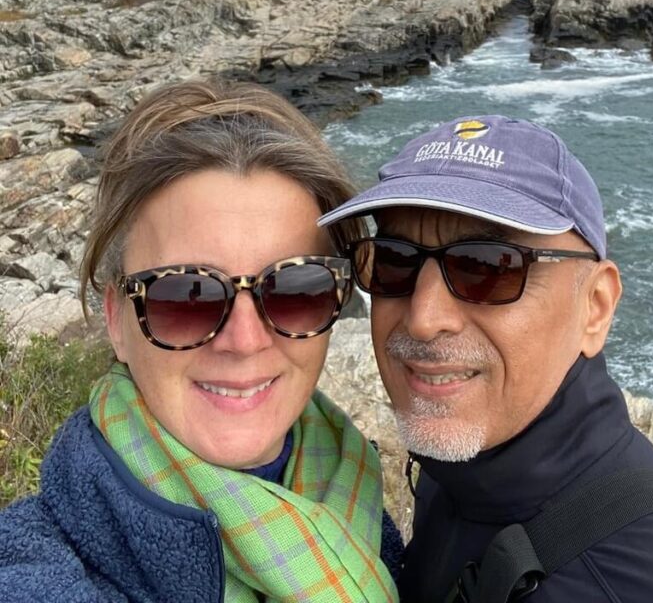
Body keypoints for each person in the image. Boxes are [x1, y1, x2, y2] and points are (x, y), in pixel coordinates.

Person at [319, 114, 653, 602]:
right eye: (393, 260)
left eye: (487, 267)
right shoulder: (457, 477)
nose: (425, 318)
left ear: (595, 309)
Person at [0, 80, 400, 603]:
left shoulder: (359, 506)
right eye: (185, 296)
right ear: (117, 318)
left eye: (297, 287)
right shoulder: (41, 570)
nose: (244, 340)